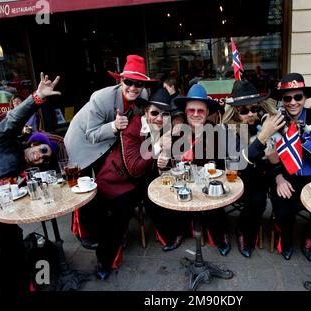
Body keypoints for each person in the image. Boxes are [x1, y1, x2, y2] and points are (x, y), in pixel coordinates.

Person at [0, 72, 60, 293]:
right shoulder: (4, 144)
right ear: (33, 144)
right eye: (41, 150)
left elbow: (20, 202)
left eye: (45, 158)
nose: (40, 156)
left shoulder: (24, 176)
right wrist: (36, 98)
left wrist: (2, 202)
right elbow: (12, 120)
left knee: (10, 236)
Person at [64, 55, 157, 249]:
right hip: (83, 142)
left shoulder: (143, 97)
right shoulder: (101, 98)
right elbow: (91, 134)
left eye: (138, 83)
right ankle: (85, 232)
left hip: (109, 143)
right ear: (120, 80)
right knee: (85, 188)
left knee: (103, 184)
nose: (133, 87)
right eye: (129, 82)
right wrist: (114, 127)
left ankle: (107, 225)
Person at [93, 88, 172, 280]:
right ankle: (105, 260)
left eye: (165, 114)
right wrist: (159, 146)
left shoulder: (163, 127)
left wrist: (163, 161)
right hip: (115, 181)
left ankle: (170, 235)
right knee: (121, 213)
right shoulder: (131, 129)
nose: (160, 118)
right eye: (155, 113)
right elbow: (135, 167)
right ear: (145, 112)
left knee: (161, 194)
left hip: (138, 180)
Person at [270, 73, 311, 262]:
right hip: (287, 175)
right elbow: (270, 156)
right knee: (282, 210)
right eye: (287, 98)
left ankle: (310, 236)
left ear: (305, 98)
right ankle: (285, 238)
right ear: (282, 100)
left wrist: (300, 136)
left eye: (298, 97)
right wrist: (278, 178)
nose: (293, 102)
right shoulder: (275, 121)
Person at [222, 79, 285, 257]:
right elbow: (239, 160)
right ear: (235, 111)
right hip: (237, 177)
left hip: (261, 176)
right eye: (244, 110)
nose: (250, 114)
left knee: (258, 201)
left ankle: (245, 229)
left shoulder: (266, 122)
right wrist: (263, 136)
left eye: (254, 108)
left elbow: (276, 159)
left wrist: (275, 164)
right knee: (252, 196)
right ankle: (241, 230)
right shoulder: (227, 129)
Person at [171, 84, 231, 256]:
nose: (196, 114)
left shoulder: (215, 132)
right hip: (184, 181)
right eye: (191, 110)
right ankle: (180, 233)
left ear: (206, 112)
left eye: (200, 110)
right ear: (185, 112)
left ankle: (220, 237)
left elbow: (220, 165)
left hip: (208, 181)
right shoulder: (177, 131)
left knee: (214, 204)